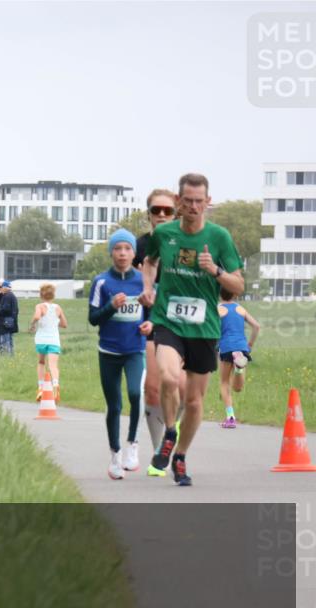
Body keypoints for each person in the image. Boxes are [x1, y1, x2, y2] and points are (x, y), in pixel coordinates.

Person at [139, 173, 244, 486]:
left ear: (208, 202)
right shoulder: (165, 233)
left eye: (200, 201)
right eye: (189, 201)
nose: (195, 206)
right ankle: (170, 431)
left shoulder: (220, 237)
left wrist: (216, 270)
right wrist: (148, 287)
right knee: (169, 378)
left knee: (196, 402)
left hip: (204, 326)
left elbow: (237, 285)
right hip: (168, 320)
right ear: (179, 202)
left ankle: (180, 455)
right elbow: (150, 261)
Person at [89, 230, 153, 479]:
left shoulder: (142, 281)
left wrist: (151, 325)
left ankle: (132, 444)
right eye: (118, 248)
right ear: (111, 252)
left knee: (136, 394)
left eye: (127, 248)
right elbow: (93, 318)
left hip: (135, 349)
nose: (123, 253)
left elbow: (151, 312)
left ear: (134, 253)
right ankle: (115, 454)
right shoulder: (101, 282)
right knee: (114, 405)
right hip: (108, 351)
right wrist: (110, 306)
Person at [133, 188, 185, 459]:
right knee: (152, 388)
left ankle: (173, 429)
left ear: (176, 213)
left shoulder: (188, 242)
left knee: (183, 388)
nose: (162, 215)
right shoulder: (139, 246)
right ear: (149, 214)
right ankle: (160, 449)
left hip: (186, 323)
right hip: (152, 323)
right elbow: (127, 281)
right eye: (157, 210)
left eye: (168, 211)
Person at [217, 288, 260, 428]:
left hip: (226, 346)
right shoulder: (241, 309)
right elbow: (256, 327)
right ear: (235, 294)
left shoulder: (218, 309)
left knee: (224, 383)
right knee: (238, 388)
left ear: (219, 293)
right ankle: (239, 369)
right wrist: (250, 345)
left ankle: (230, 417)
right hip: (242, 347)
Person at [30, 283, 67, 402]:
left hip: (41, 339)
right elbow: (64, 324)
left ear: (41, 295)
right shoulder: (58, 308)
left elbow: (36, 317)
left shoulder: (40, 306)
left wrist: (33, 324)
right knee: (53, 365)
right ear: (53, 295)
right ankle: (55, 387)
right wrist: (55, 322)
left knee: (41, 362)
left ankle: (41, 388)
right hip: (54, 340)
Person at [0, 280, 19, 356]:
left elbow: (6, 308)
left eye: (2, 287)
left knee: (4, 341)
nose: (1, 289)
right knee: (9, 340)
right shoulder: (11, 295)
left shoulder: (7, 296)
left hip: (5, 323)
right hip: (10, 322)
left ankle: (5, 356)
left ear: (5, 287)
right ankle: (10, 356)